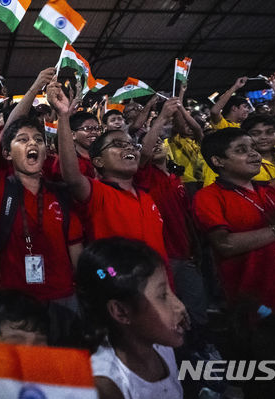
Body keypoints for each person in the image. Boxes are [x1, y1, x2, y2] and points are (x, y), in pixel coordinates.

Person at [0, 46, 82, 305]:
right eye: (23, 139)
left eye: (38, 139)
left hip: (63, 299)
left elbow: (76, 251)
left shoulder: (61, 195)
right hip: (15, 301)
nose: (33, 143)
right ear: (7, 153)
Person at [193, 128, 275, 318]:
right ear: (218, 161)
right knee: (274, 342)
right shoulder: (209, 196)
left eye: (253, 148)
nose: (254, 154)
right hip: (259, 301)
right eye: (241, 150)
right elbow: (225, 244)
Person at [47, 81, 168, 260]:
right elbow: (72, 177)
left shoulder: (146, 197)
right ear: (99, 161)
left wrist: (168, 287)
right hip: (114, 282)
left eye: (131, 144)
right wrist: (63, 116)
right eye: (118, 145)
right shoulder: (99, 194)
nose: (128, 149)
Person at [76, 238, 188, 399]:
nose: (180, 306)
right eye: (162, 295)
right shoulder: (105, 386)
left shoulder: (160, 346)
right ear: (121, 312)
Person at [135, 98, 208, 328]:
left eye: (160, 141)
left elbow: (187, 219)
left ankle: (201, 346)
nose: (156, 144)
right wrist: (161, 118)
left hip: (185, 255)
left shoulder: (177, 179)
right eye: (150, 142)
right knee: (165, 312)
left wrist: (195, 248)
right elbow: (145, 152)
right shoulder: (144, 176)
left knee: (196, 306)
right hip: (160, 258)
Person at [47, 110, 100, 181]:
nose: (94, 132)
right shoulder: (66, 163)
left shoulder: (106, 158)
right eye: (87, 129)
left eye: (97, 128)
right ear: (73, 135)